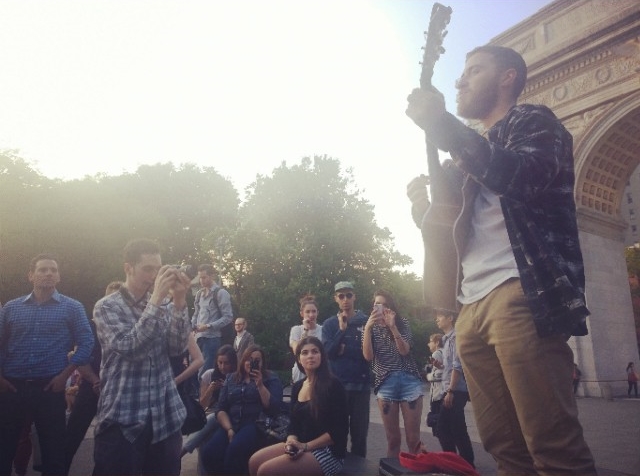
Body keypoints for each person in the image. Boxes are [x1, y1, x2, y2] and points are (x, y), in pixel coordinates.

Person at [406, 44, 596, 474]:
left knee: (553, 446)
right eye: (462, 72)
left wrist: (442, 125)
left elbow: (520, 177)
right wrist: (424, 209)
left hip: (520, 293)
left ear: (507, 76)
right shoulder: (464, 155)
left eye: (474, 70)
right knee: (503, 447)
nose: (460, 79)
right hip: (469, 308)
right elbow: (452, 230)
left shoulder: (533, 121)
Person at [92, 238, 193, 476]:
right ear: (128, 268)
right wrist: (157, 299)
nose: (154, 276)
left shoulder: (164, 305)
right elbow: (131, 349)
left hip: (166, 417)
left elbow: (177, 348)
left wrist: (178, 301)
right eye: (148, 269)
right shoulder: (106, 307)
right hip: (123, 419)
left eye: (158, 269)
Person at [0, 253, 94, 476]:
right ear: (31, 275)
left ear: (59, 277)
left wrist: (65, 375)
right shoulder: (12, 308)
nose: (49, 273)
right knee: (4, 448)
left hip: (50, 388)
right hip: (12, 388)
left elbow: (87, 342)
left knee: (54, 454)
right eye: (43, 270)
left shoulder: (72, 307)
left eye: (53, 270)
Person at [249, 336, 348, 476]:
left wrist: (305, 446)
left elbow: (338, 432)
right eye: (305, 353)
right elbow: (293, 424)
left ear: (322, 356)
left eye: (315, 351)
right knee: (254, 461)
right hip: (300, 444)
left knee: (266, 471)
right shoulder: (297, 387)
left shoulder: (333, 385)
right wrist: (291, 440)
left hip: (328, 451)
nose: (310, 356)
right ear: (299, 359)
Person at [64, 281, 121, 473]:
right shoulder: (89, 326)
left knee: (110, 442)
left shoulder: (130, 327)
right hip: (91, 384)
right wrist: (95, 380)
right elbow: (79, 356)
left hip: (117, 390)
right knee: (72, 434)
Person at [200, 344, 283, 475]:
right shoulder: (231, 378)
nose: (252, 363)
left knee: (235, 450)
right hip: (231, 422)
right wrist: (229, 429)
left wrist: (260, 385)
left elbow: (273, 408)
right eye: (249, 359)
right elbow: (221, 409)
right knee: (209, 453)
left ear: (262, 362)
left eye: (257, 360)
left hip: (255, 423)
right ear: (243, 360)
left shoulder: (270, 378)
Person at [362, 289, 423, 458]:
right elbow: (368, 356)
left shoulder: (402, 323)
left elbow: (404, 351)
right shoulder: (368, 328)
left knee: (413, 440)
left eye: (384, 305)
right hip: (386, 384)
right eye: (376, 305)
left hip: (409, 382)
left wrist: (393, 327)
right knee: (393, 439)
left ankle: (416, 469)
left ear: (391, 308)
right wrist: (367, 328)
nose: (380, 308)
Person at [321, 281, 370, 458]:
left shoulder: (366, 322)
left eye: (349, 295)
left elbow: (368, 354)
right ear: (336, 299)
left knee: (359, 436)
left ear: (354, 296)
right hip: (337, 387)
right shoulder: (329, 324)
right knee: (336, 434)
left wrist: (344, 349)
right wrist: (341, 331)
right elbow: (327, 353)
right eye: (341, 296)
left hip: (361, 386)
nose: (345, 299)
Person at [181, 344, 238, 456]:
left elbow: (236, 404)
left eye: (226, 363)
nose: (222, 367)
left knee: (211, 420)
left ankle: (182, 451)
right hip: (210, 411)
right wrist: (210, 390)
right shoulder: (209, 374)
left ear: (233, 363)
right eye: (220, 362)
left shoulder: (237, 377)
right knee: (208, 424)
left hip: (228, 414)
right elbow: (201, 406)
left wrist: (227, 388)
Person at [433, 311, 474, 466]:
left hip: (456, 389)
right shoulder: (445, 339)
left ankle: (454, 464)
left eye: (440, 315)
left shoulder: (457, 337)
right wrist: (440, 366)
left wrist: (450, 391)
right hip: (450, 388)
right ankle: (465, 464)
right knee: (457, 428)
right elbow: (449, 367)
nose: (436, 318)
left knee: (442, 428)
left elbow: (458, 366)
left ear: (450, 318)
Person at [192, 264, 234, 377]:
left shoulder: (221, 293)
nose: (202, 280)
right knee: (193, 370)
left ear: (212, 276)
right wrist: (192, 328)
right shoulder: (199, 294)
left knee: (205, 372)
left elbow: (228, 317)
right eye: (200, 277)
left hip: (212, 338)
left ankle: (205, 393)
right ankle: (198, 394)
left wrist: (208, 326)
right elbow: (196, 314)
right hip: (197, 338)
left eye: (204, 277)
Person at [290, 295, 323, 384]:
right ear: (302, 313)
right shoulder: (296, 330)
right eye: (307, 312)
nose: (311, 315)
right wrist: (306, 330)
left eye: (314, 311)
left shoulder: (323, 330)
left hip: (319, 373)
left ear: (317, 313)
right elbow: (297, 351)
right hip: (300, 372)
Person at [425, 333, 444, 438]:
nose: (428, 344)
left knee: (438, 427)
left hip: (438, 394)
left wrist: (428, 376)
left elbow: (440, 374)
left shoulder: (436, 354)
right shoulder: (445, 352)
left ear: (437, 343)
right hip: (443, 393)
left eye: (430, 342)